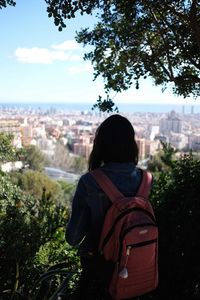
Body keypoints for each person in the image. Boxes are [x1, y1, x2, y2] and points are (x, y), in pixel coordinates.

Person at [66, 114, 145, 300]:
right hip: (136, 268)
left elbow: (73, 238)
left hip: (99, 272)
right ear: (131, 144)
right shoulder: (146, 180)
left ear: (100, 145)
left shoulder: (90, 182)